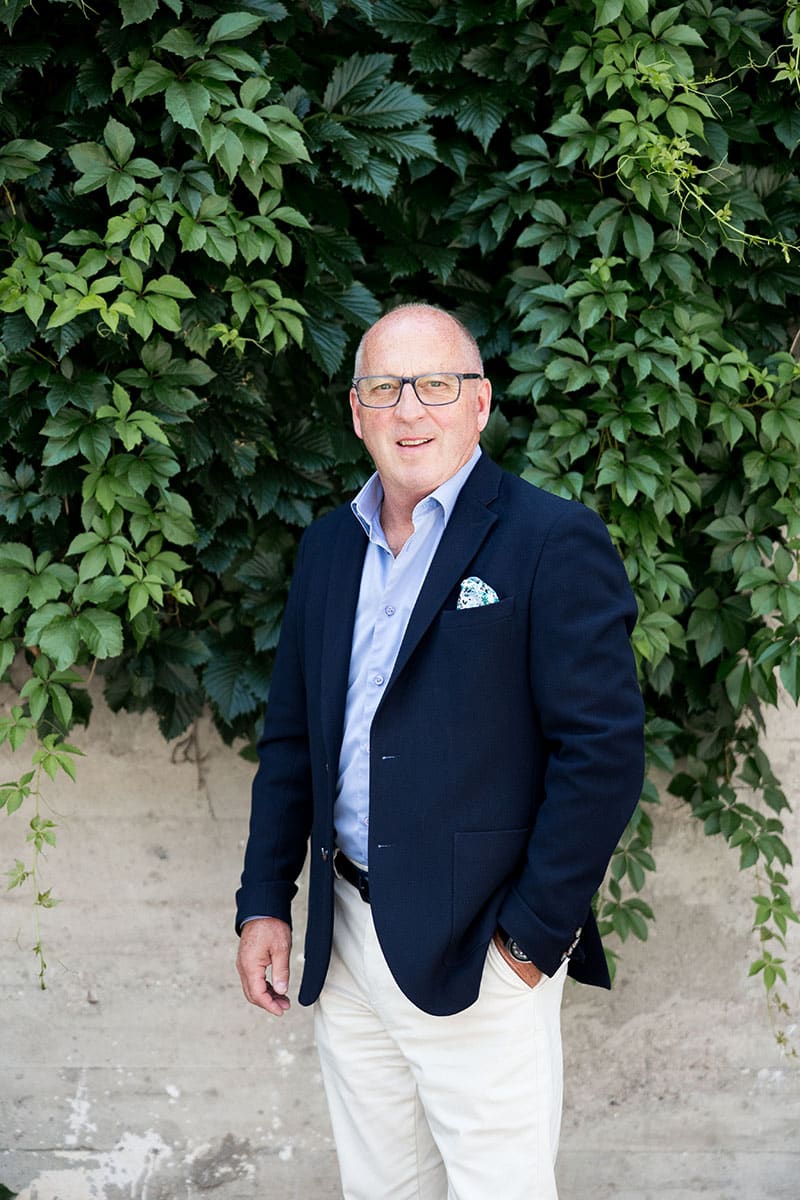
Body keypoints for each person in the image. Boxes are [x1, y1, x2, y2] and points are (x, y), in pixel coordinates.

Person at [236, 303, 645, 1200]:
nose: (409, 411)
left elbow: (604, 754)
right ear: (356, 411)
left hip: (480, 950)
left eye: (435, 386)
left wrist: (531, 941)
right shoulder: (329, 548)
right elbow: (295, 739)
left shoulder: (549, 540)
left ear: (480, 404)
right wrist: (265, 899)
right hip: (345, 943)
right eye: (384, 388)